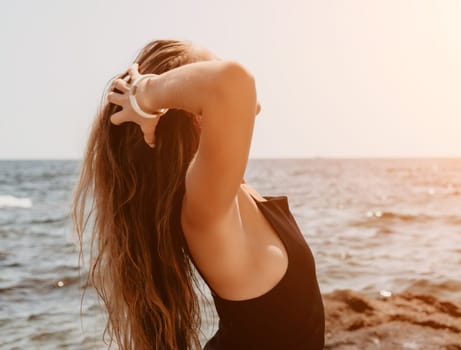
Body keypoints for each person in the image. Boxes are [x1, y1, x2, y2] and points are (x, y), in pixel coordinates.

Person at [73, 39, 325, 350]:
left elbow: (235, 95)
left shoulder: (227, 191)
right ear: (194, 111)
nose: (220, 67)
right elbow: (232, 83)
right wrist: (146, 94)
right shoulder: (205, 205)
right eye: (209, 66)